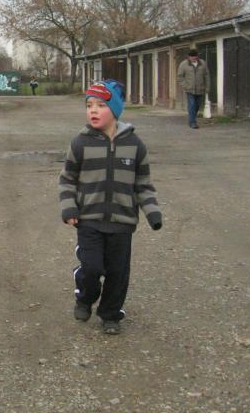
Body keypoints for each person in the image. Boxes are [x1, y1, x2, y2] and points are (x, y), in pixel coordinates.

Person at [58, 80, 162, 335]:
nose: (93, 110)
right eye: (89, 105)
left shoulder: (135, 145)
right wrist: (69, 208)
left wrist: (152, 212)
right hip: (88, 220)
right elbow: (67, 179)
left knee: (118, 272)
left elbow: (143, 184)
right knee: (92, 267)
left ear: (115, 110)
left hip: (122, 223)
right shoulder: (80, 143)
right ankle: (85, 298)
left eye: (101, 105)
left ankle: (110, 314)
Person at [177, 47, 211, 129]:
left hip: (200, 88)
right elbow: (180, 77)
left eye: (195, 56)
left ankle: (192, 118)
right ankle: (193, 122)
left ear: (197, 56)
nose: (193, 58)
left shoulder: (203, 63)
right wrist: (185, 85)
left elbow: (207, 76)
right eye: (192, 57)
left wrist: (207, 87)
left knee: (197, 105)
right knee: (192, 105)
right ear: (189, 57)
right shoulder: (183, 64)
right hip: (190, 89)